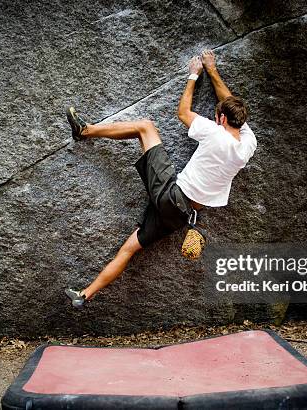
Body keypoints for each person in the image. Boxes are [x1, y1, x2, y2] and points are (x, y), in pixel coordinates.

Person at [64, 49, 257, 308]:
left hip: (170, 194)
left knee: (146, 127)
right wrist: (213, 71)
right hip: (178, 217)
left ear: (220, 118)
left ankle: (85, 131)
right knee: (130, 249)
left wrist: (194, 74)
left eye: (217, 115)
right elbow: (233, 109)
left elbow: (183, 113)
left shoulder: (214, 132)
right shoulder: (248, 145)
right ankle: (84, 295)